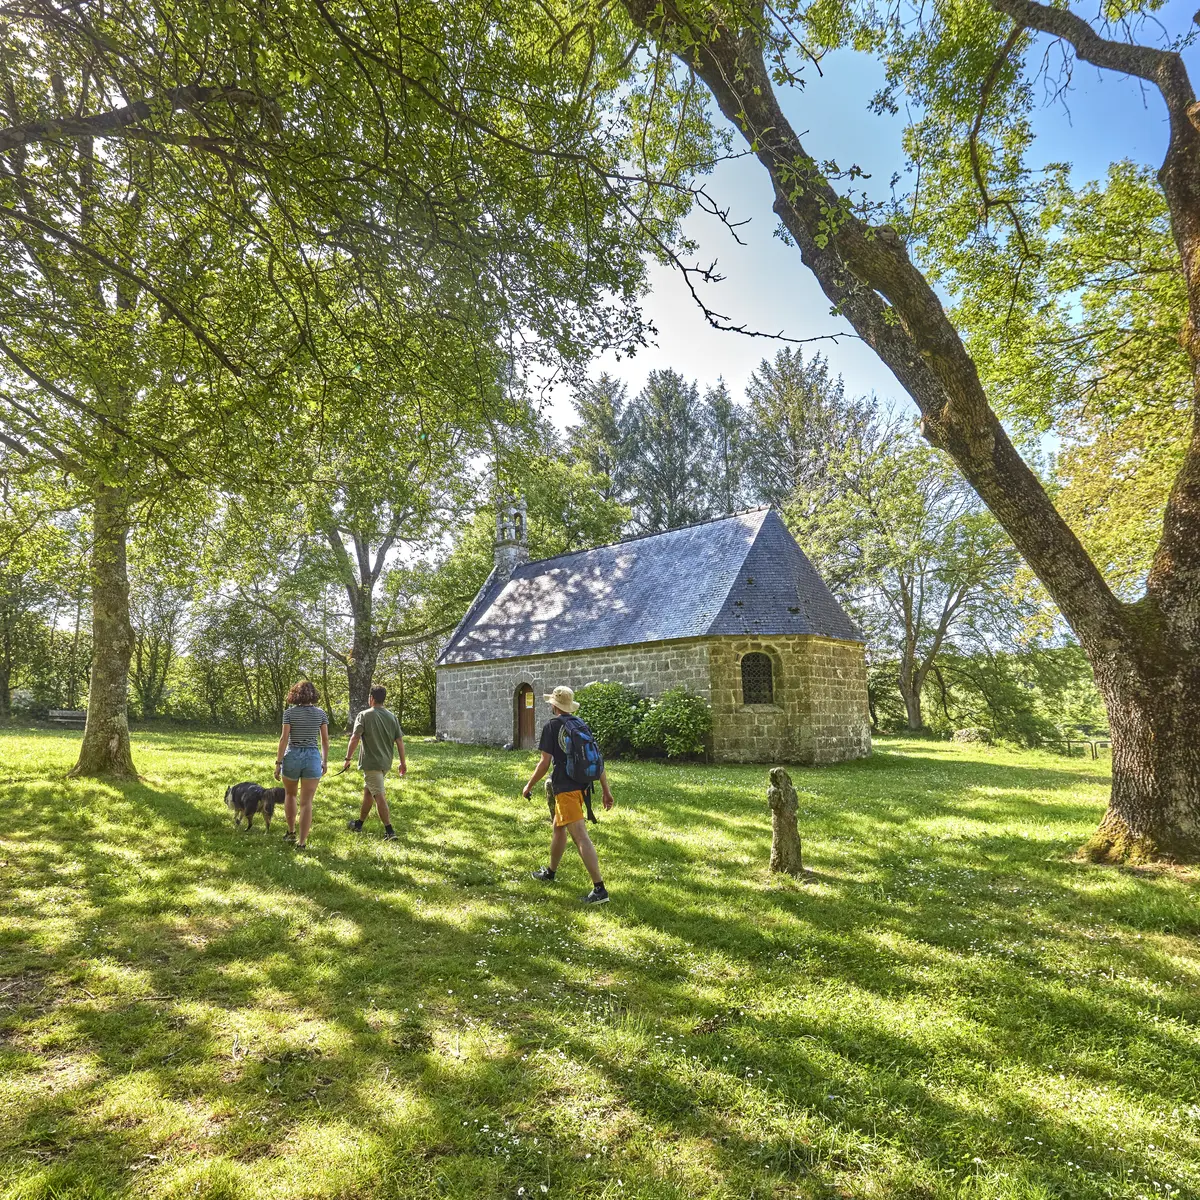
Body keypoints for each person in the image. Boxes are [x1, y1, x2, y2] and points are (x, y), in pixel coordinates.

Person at [522, 685, 614, 905]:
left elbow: (544, 763)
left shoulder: (552, 727)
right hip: (582, 785)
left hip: (565, 788)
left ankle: (600, 889)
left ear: (554, 705)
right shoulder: (580, 724)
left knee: (580, 836)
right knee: (558, 828)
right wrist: (605, 790)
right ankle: (551, 873)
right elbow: (596, 759)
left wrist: (528, 785)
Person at [342, 684, 406, 840]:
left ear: (371, 698)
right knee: (368, 793)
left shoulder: (364, 715)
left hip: (372, 764)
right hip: (385, 763)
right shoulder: (392, 717)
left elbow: (355, 737)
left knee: (379, 795)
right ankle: (359, 824)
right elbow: (399, 741)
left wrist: (348, 759)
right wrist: (402, 763)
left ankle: (390, 831)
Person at [274, 680, 329, 849]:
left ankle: (291, 832)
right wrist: (324, 761)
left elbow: (284, 739)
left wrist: (278, 762)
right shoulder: (320, 714)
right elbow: (325, 740)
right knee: (307, 802)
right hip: (312, 757)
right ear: (313, 694)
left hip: (293, 756)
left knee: (290, 795)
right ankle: (302, 842)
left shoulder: (289, 713)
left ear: (295, 694)